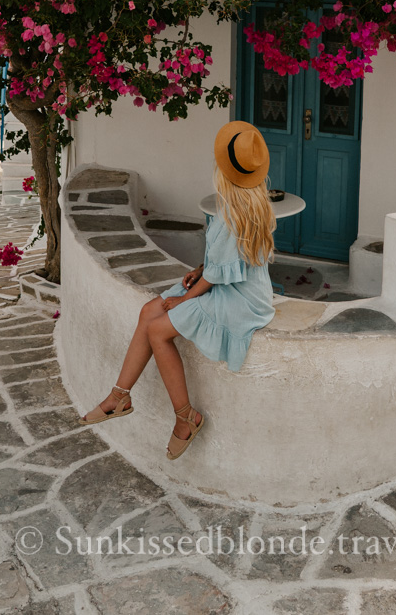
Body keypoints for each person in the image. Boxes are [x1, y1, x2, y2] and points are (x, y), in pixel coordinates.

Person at [78, 120, 277, 459]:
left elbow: (217, 277)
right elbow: (226, 263)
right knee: (148, 312)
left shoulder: (232, 214)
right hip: (234, 287)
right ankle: (119, 396)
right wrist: (200, 270)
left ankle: (186, 418)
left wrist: (185, 298)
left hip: (241, 300)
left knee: (158, 330)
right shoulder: (247, 202)